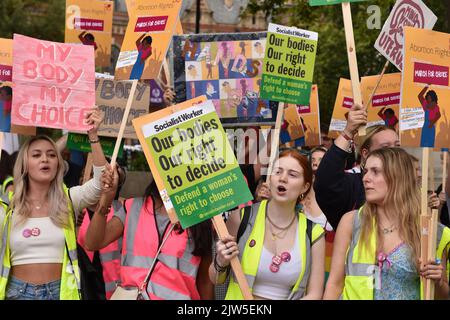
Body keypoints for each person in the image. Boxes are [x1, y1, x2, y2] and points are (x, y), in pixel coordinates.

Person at [0, 109, 107, 300]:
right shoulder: (6, 206)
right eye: (36, 155)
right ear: (24, 164)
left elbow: (101, 182)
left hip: (61, 292)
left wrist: (93, 135)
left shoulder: (69, 199)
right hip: (16, 293)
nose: (45, 159)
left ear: (58, 164)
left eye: (51, 155)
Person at [324, 148, 450, 300]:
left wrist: (437, 282)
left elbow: (443, 296)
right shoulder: (351, 221)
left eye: (375, 171)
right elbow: (334, 284)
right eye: (366, 171)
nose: (365, 178)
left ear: (398, 177)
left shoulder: (429, 230)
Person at [210, 149, 325, 300]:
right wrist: (221, 261)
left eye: (292, 174)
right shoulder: (240, 218)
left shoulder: (314, 233)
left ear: (305, 187)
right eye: (277, 172)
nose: (283, 178)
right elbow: (215, 279)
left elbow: (315, 294)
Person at [84, 176, 214, 300]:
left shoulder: (201, 219)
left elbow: (204, 282)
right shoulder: (134, 207)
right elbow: (92, 243)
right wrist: (106, 198)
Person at [314, 103, 400, 230]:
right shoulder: (353, 185)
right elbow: (326, 182)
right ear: (365, 154)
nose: (394, 152)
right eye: (385, 147)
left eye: (397, 146)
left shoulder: (408, 188)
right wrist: (348, 132)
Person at [77, 164, 127, 300]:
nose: (86, 179)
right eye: (85, 176)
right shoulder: (74, 211)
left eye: (95, 176)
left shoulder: (122, 209)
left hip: (114, 290)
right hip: (85, 288)